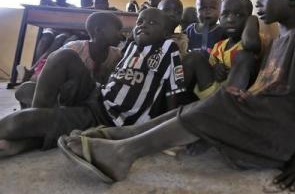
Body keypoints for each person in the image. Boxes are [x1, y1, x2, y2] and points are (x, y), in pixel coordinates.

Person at [59, 0, 295, 191]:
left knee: (221, 101)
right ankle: (122, 134)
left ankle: (123, 153)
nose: (258, 2)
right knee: (208, 102)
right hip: (260, 125)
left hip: (279, 139)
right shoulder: (278, 41)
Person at [0, 8, 188, 157]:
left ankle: (35, 131)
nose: (142, 25)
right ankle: (43, 124)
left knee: (17, 123)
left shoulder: (168, 48)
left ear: (165, 32)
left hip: (105, 118)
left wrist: (170, 135)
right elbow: (113, 79)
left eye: (152, 22)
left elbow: (175, 92)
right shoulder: (130, 48)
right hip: (96, 94)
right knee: (63, 56)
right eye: (140, 21)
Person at [15, 12, 124, 109]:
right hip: (64, 92)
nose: (122, 35)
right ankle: (46, 108)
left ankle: (49, 110)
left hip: (89, 97)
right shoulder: (75, 47)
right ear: (98, 30)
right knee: (24, 89)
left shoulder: (117, 55)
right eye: (118, 30)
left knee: (28, 93)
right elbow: (51, 70)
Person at [183, 0, 260, 99]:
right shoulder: (219, 46)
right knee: (194, 57)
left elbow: (251, 44)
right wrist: (215, 68)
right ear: (219, 18)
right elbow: (208, 67)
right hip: (213, 92)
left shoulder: (248, 42)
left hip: (230, 100)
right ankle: (179, 99)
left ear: (248, 19)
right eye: (225, 14)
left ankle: (224, 104)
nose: (230, 20)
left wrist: (253, 19)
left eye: (238, 15)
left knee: (244, 55)